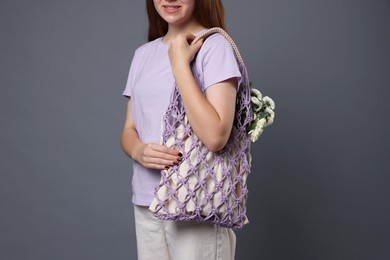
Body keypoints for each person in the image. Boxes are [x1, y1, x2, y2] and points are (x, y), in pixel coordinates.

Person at [120, 0, 242, 259]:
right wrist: (139, 151)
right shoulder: (142, 54)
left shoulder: (214, 47)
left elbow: (216, 136)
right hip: (146, 202)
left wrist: (179, 64)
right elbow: (129, 129)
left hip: (196, 198)